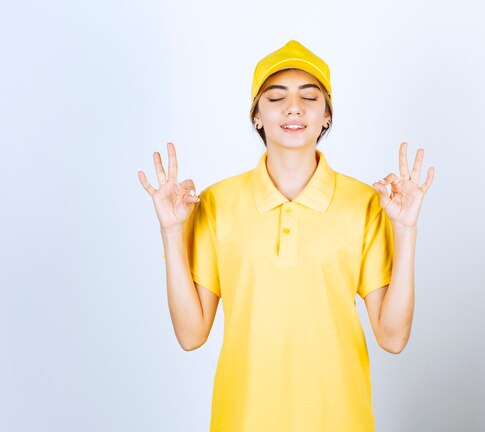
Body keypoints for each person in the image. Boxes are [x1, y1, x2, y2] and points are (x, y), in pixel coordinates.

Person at [138, 39, 434, 432]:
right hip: (242, 420)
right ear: (257, 115)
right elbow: (191, 335)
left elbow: (393, 337)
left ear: (326, 116)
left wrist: (406, 229)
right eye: (276, 98)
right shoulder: (216, 203)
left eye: (309, 97)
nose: (293, 107)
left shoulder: (365, 202)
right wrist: (173, 232)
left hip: (341, 419)